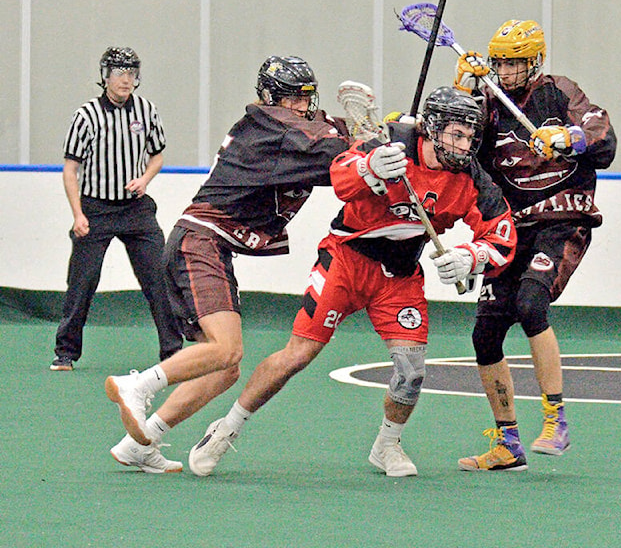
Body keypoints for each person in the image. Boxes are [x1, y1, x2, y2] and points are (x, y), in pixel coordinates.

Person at [186, 86, 517, 478]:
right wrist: (371, 167)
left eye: (470, 137)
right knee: (297, 355)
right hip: (346, 259)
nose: (464, 145)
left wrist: (470, 257)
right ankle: (226, 429)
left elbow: (502, 233)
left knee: (412, 372)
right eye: (456, 135)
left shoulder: (471, 178)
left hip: (399, 276)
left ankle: (387, 445)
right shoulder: (392, 141)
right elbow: (340, 178)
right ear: (432, 127)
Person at [105, 55, 350, 473]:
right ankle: (138, 385)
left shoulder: (286, 126)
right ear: (270, 98)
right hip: (201, 242)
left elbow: (329, 137)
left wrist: (389, 129)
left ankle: (139, 444)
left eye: (305, 98)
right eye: (291, 98)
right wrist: (372, 141)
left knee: (226, 367)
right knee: (227, 348)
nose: (300, 106)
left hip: (205, 244)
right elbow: (333, 153)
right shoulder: (272, 127)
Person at [454, 20, 617, 471]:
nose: (505, 72)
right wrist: (461, 102)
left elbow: (603, 138)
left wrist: (570, 137)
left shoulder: (560, 92)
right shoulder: (487, 104)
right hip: (512, 229)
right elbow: (463, 152)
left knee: (530, 304)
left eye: (514, 64)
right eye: (500, 63)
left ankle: (555, 420)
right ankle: (508, 443)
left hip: (562, 222)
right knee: (484, 334)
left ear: (535, 62)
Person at [51, 47, 182, 372]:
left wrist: (145, 179)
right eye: (119, 73)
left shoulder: (147, 111)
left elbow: (157, 156)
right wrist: (78, 214)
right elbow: (71, 169)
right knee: (82, 281)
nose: (126, 80)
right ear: (105, 77)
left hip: (136, 209)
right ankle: (65, 352)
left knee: (159, 276)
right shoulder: (86, 116)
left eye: (131, 73)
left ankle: (174, 351)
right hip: (95, 209)